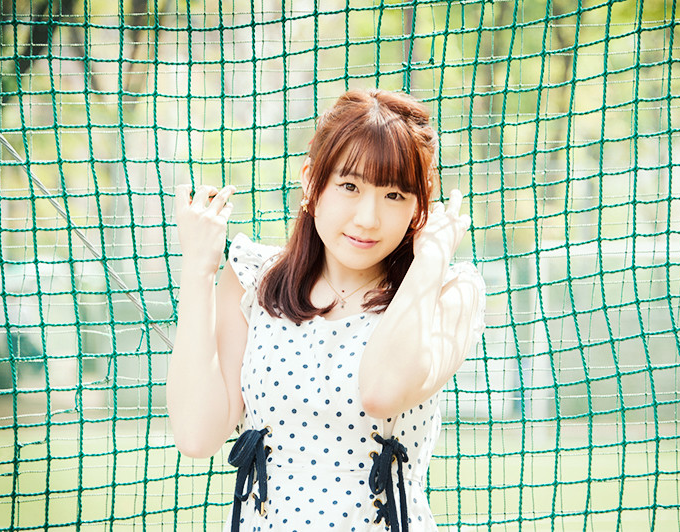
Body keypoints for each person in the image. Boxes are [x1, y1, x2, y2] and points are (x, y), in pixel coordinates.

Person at [167, 89, 486, 531]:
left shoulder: (451, 293)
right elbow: (196, 435)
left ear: (420, 204)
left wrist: (432, 256)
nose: (368, 218)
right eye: (350, 186)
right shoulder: (254, 279)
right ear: (311, 181)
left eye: (395, 195)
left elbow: (380, 392)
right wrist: (199, 270)